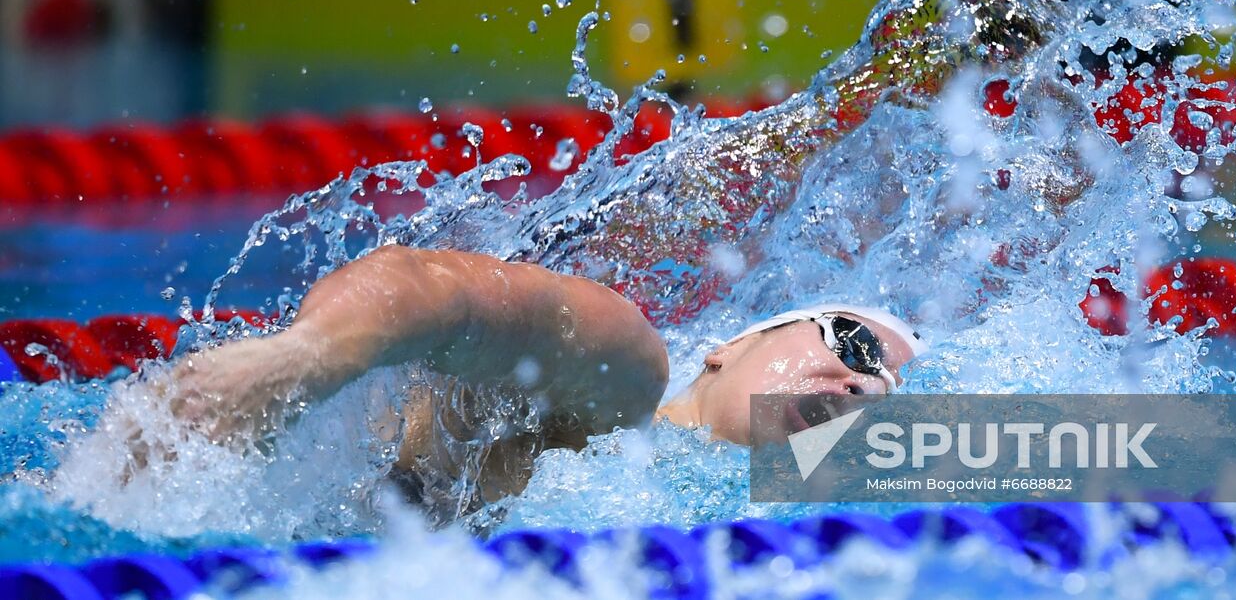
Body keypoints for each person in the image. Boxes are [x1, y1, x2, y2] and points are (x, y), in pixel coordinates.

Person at [160, 244, 925, 515]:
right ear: (724, 348)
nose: (862, 388)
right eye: (853, 346)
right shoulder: (621, 382)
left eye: (886, 397)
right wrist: (305, 360)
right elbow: (439, 291)